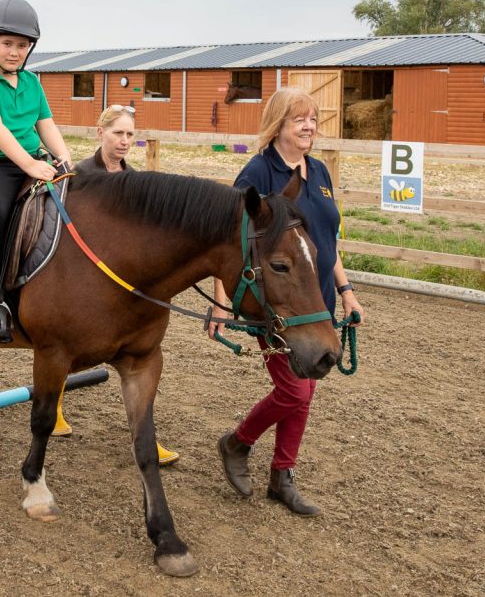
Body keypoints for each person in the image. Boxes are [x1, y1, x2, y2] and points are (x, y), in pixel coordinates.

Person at [210, 87, 363, 516]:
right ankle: (237, 442)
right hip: (278, 303)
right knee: (294, 390)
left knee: (307, 387)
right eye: (300, 120)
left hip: (318, 299)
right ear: (278, 124)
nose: (309, 127)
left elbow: (326, 242)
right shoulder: (258, 174)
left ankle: (282, 476)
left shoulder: (319, 172)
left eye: (313, 120)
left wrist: (347, 291)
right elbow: (228, 242)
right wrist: (222, 302)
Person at [50, 104, 179, 465]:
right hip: (81, 275)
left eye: (130, 135)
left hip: (120, 280)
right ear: (100, 134)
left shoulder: (134, 181)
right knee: (66, 342)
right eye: (118, 133)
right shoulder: (80, 177)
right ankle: (55, 406)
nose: (124, 141)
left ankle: (146, 441)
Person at [0, 0, 73, 343]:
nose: (14, 51)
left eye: (22, 45)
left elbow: (46, 125)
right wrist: (29, 165)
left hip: (34, 159)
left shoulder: (32, 83)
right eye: (7, 43)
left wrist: (67, 162)